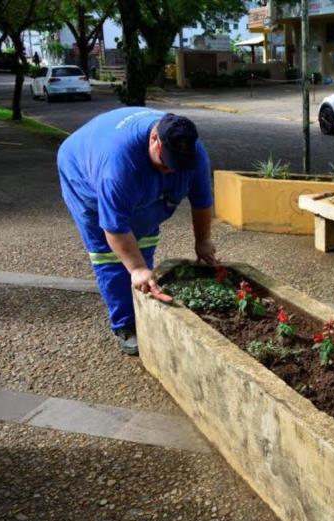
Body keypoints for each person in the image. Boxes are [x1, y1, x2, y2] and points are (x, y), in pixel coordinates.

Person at [57, 108, 218, 355]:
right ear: (155, 140)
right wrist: (137, 268)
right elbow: (114, 225)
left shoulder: (192, 152)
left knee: (143, 236)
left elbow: (202, 201)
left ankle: (143, 303)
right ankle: (126, 325)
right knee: (110, 255)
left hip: (132, 173)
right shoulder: (118, 165)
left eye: (178, 165)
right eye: (167, 163)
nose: (172, 170)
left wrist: (203, 241)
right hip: (81, 172)